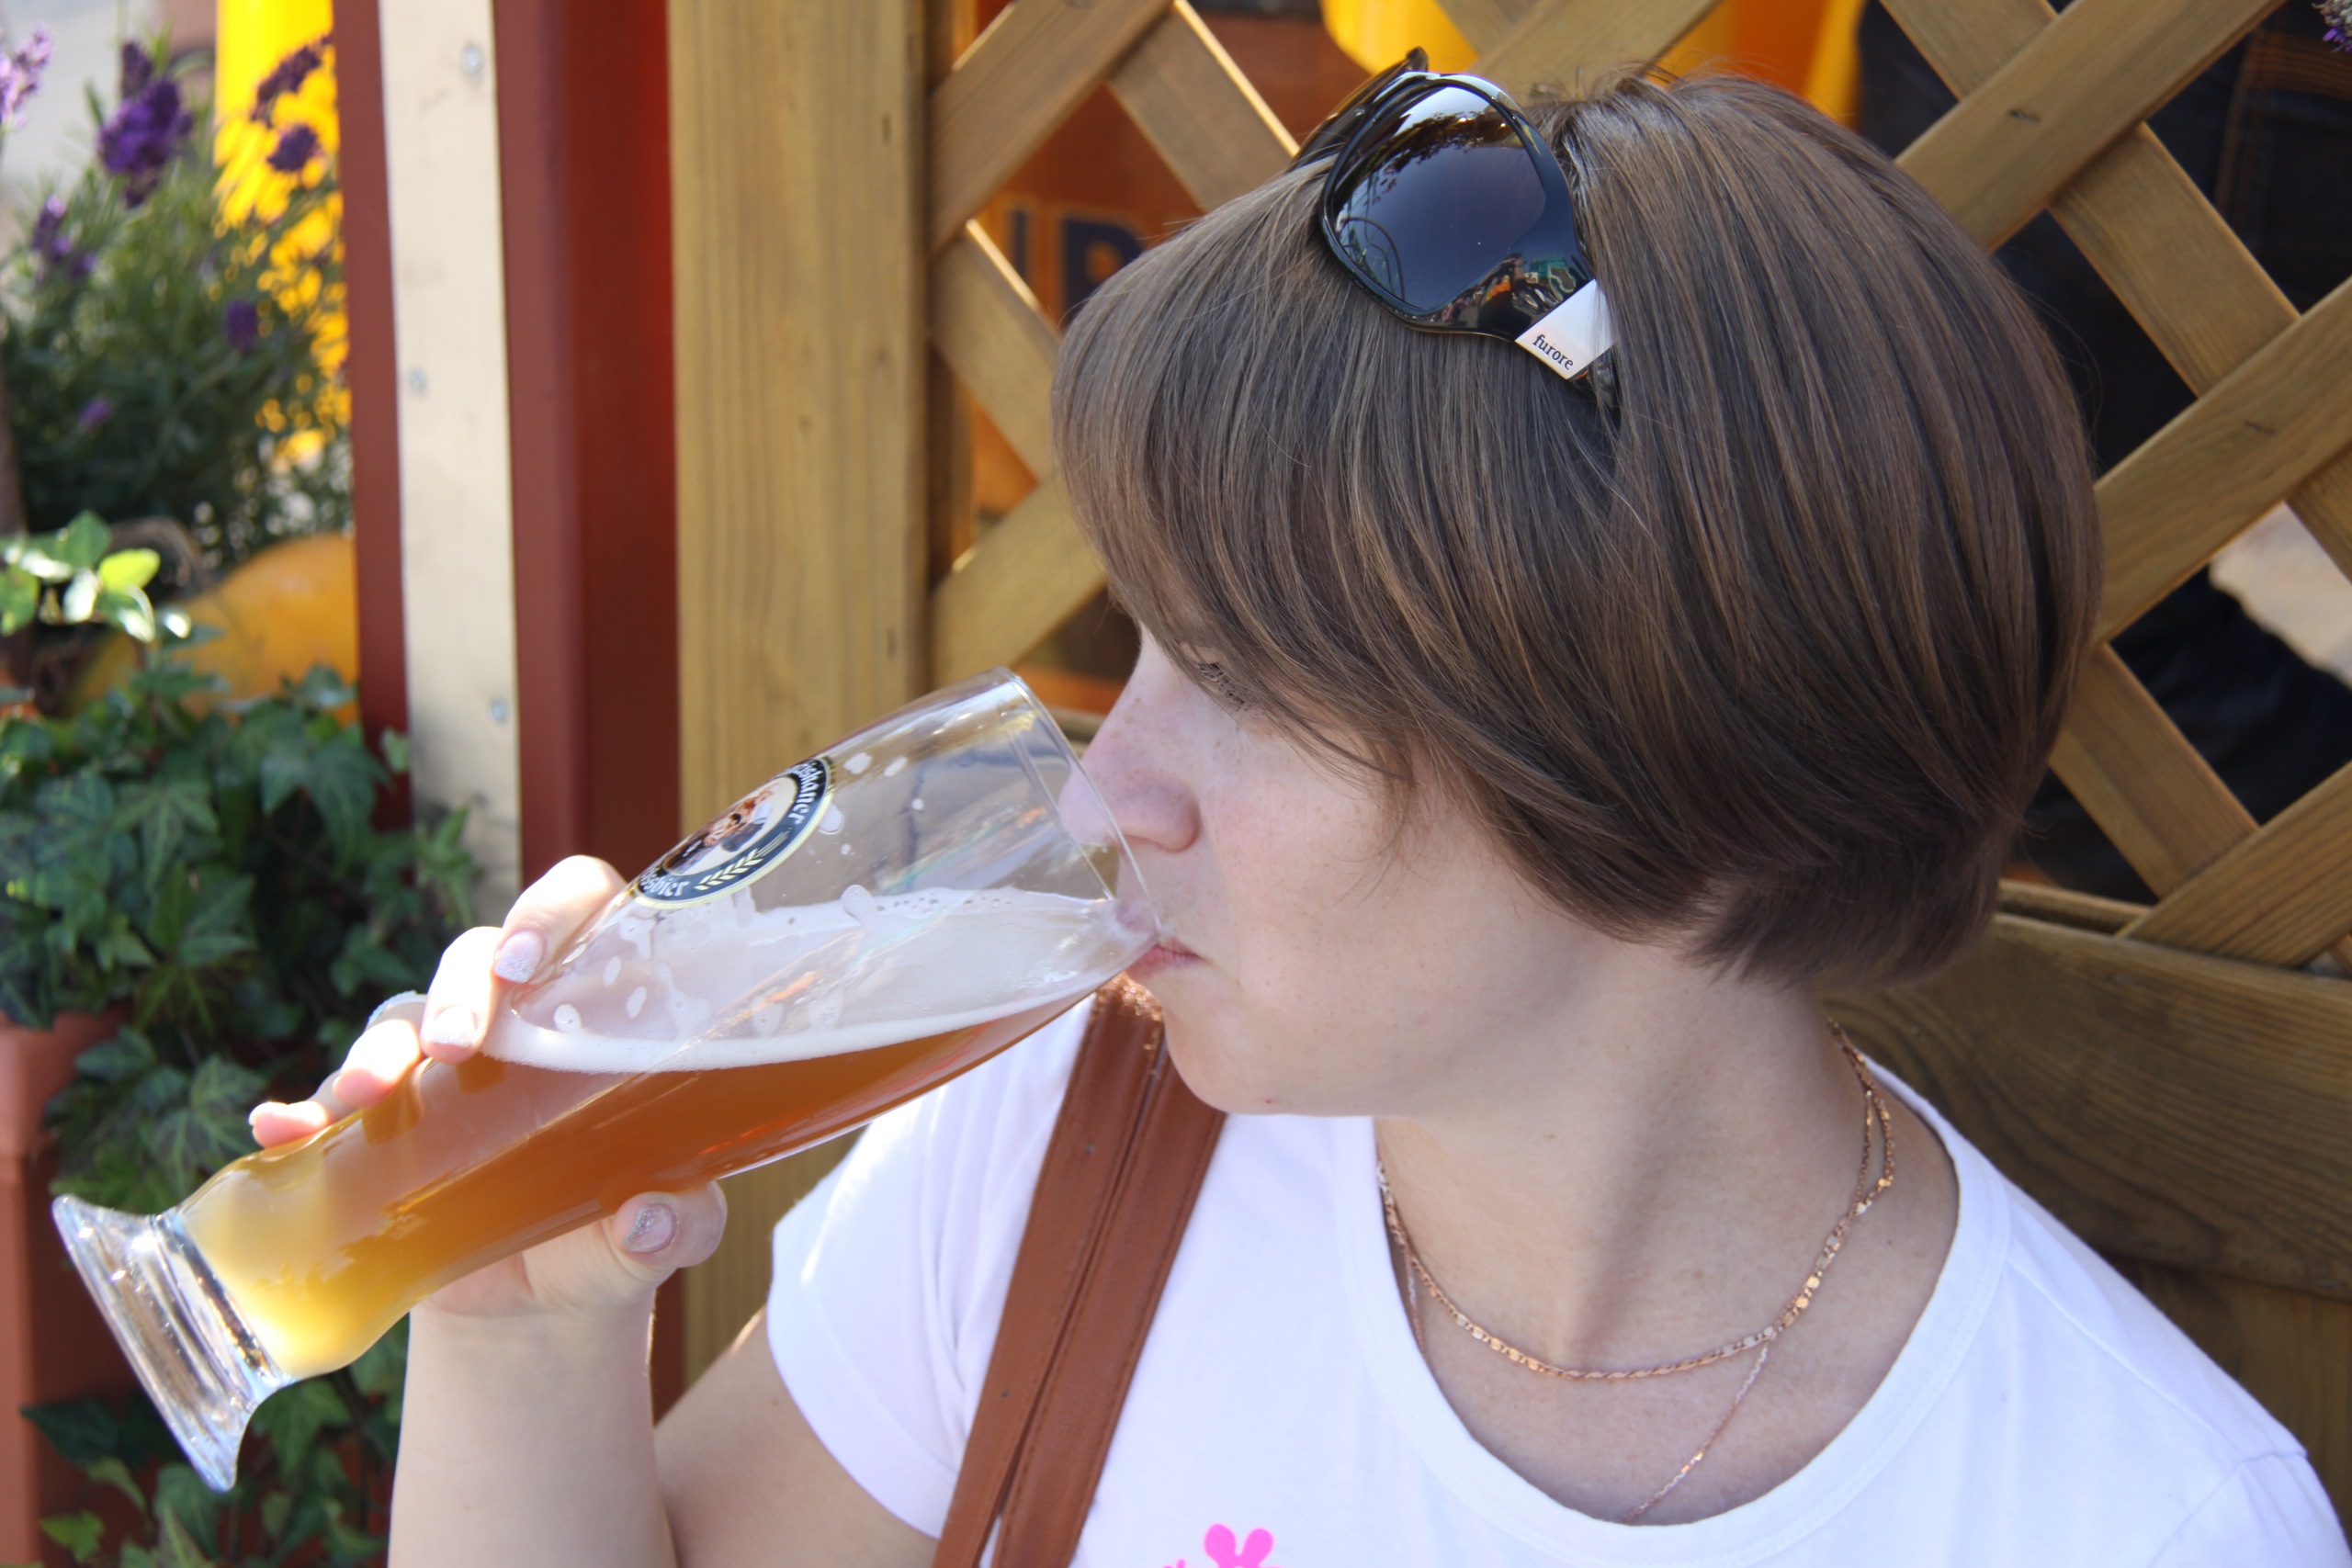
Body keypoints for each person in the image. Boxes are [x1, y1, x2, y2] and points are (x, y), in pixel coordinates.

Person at [252, 67, 2346, 1565]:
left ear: (1686, 756)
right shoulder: (1060, 1147)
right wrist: (526, 1337)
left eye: (1253, 681)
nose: (1106, 786)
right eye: (1145, 642)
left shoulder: (2126, 1515)